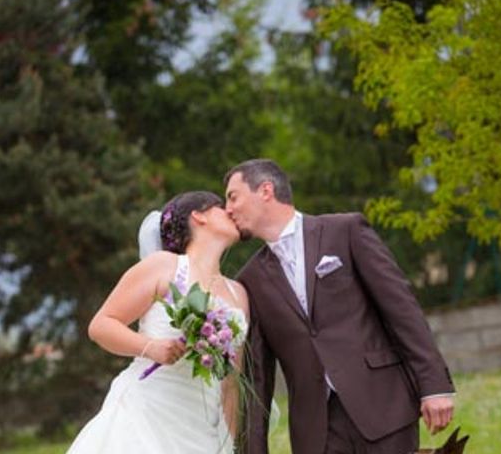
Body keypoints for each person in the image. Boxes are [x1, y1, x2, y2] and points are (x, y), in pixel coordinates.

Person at [224, 159, 455, 454]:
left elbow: (402, 310)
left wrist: (434, 385)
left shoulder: (344, 231)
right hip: (317, 431)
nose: (228, 209)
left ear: (266, 190)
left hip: (383, 406)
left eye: (233, 196)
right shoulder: (250, 279)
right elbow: (258, 375)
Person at [67, 191, 249, 454]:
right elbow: (101, 325)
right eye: (222, 207)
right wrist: (151, 347)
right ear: (199, 216)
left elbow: (232, 382)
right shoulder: (164, 266)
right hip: (147, 411)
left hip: (202, 425)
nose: (231, 212)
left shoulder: (238, 294)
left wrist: (229, 444)